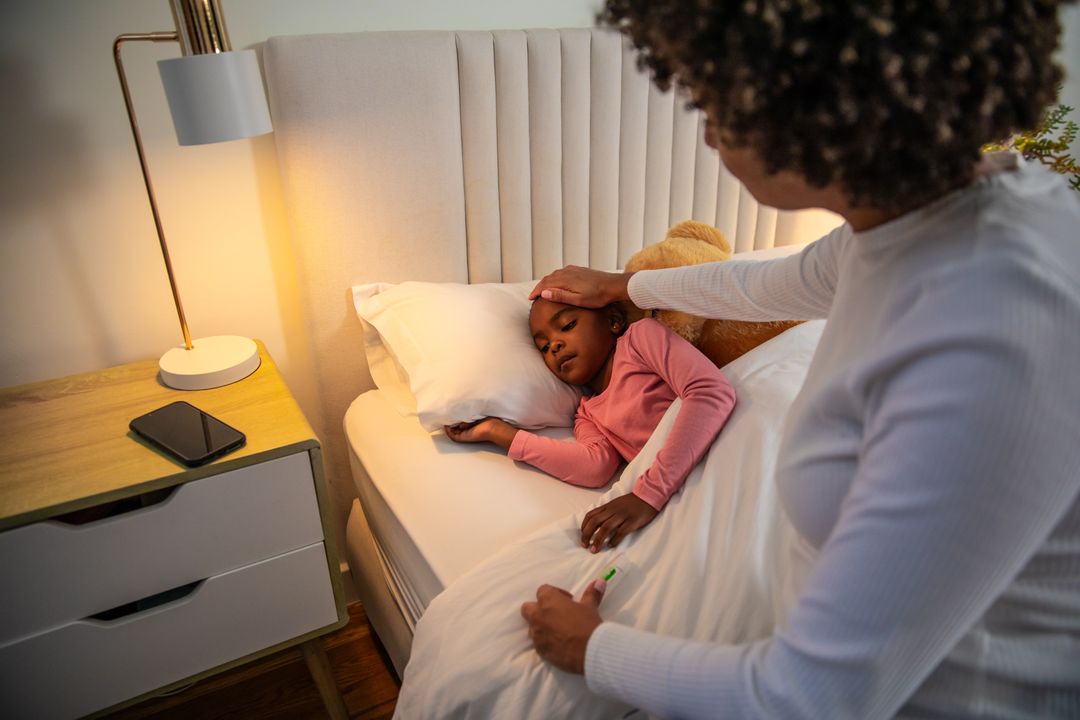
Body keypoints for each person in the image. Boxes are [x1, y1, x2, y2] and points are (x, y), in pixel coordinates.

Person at [520, 1, 1080, 717]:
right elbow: (761, 281)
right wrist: (625, 284)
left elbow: (811, 696)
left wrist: (590, 648)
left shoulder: (986, 330)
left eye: (715, 104)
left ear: (810, 102)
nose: (708, 131)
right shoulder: (933, 210)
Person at [445, 299, 736, 552]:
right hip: (701, 490)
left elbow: (709, 392)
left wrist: (648, 494)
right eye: (544, 347)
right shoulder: (587, 414)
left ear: (613, 321)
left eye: (568, 325)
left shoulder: (640, 339)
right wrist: (499, 432)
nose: (555, 345)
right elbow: (594, 468)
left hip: (733, 447)